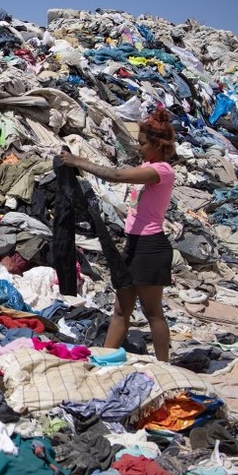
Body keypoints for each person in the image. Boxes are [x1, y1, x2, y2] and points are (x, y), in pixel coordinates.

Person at [57, 108, 176, 361]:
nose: (139, 148)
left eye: (143, 144)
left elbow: (117, 175)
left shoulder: (162, 171)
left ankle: (165, 365)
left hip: (151, 247)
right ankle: (104, 358)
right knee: (121, 309)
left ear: (157, 144)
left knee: (153, 312)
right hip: (133, 246)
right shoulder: (149, 165)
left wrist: (78, 162)